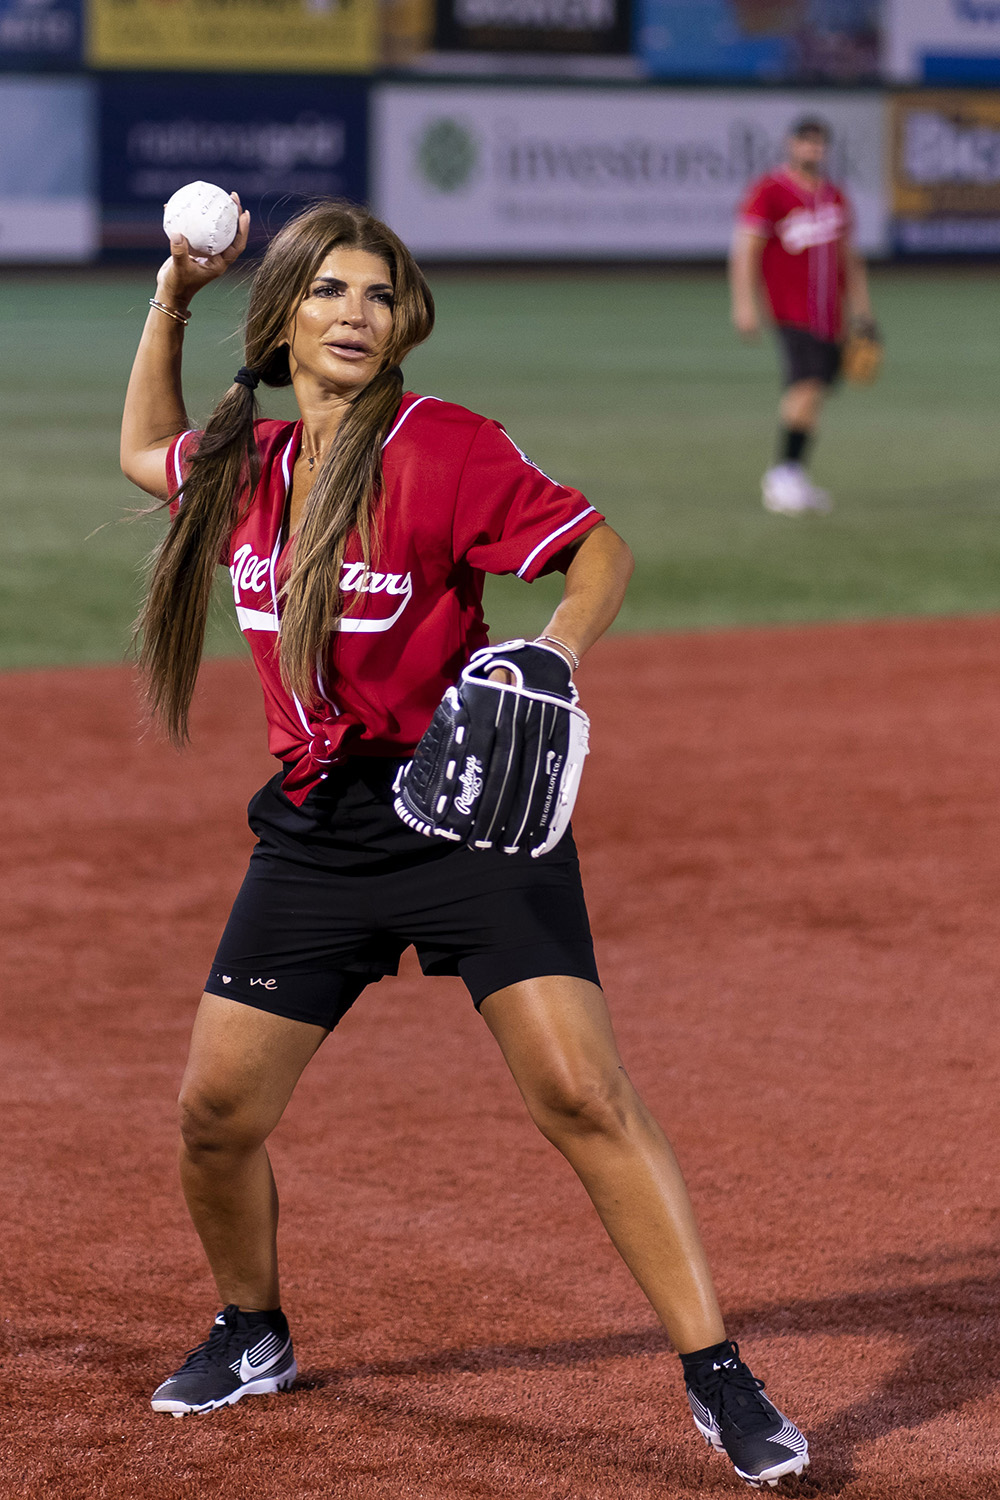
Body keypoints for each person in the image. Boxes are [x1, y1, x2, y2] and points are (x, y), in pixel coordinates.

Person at [120, 197, 809, 1489]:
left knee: (581, 1093)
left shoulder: (446, 449)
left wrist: (555, 648)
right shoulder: (250, 460)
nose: (355, 314)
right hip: (320, 826)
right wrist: (173, 290)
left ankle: (719, 1375)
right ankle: (252, 1326)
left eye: (378, 295)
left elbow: (598, 552)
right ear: (284, 317)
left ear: (404, 322)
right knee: (215, 1114)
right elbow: (142, 448)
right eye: (328, 291)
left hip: (463, 810)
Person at [730, 116, 876, 515]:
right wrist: (744, 305)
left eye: (819, 143)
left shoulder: (834, 196)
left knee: (817, 391)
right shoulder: (770, 191)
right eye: (805, 142)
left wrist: (863, 312)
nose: (812, 150)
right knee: (806, 385)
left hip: (831, 316)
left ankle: (792, 474)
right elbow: (746, 251)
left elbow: (851, 258)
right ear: (790, 145)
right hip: (791, 310)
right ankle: (782, 475)